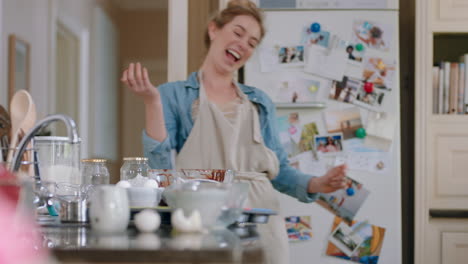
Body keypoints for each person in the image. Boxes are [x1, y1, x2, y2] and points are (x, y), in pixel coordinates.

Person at [121, 1, 347, 263]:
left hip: (260, 224)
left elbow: (280, 171)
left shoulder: (260, 101)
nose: (244, 44)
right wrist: (152, 103)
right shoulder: (172, 96)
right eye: (238, 33)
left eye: (252, 42)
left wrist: (316, 183)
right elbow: (161, 169)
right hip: (199, 221)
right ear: (214, 30)